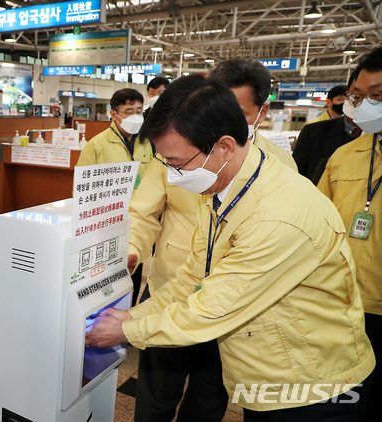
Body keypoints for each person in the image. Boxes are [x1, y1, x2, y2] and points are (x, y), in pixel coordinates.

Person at [86, 75, 374, 420]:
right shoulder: (223, 187)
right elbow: (191, 277)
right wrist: (135, 313)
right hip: (267, 372)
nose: (171, 173)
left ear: (223, 147)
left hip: (312, 383)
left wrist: (127, 330)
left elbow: (213, 308)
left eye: (176, 162)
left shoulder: (277, 214)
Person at [128, 58, 299, 422]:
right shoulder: (178, 149)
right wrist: (133, 249)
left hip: (233, 311)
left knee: (207, 404)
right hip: (171, 290)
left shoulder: (280, 166)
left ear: (262, 111)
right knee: (153, 401)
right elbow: (143, 213)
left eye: (236, 112)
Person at [317, 46, 382, 422]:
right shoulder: (345, 156)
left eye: (379, 95)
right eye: (360, 95)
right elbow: (319, 224)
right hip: (343, 306)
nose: (366, 104)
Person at [77, 88, 153, 306]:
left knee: (134, 272)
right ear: (114, 114)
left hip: (139, 222)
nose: (136, 116)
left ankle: (127, 314)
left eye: (139, 110)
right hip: (106, 223)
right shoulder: (97, 145)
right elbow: (83, 190)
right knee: (105, 275)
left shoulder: (147, 143)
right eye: (129, 111)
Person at [294, 73, 362, 184]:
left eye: (375, 95)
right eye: (357, 96)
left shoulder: (375, 136)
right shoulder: (313, 131)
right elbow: (297, 171)